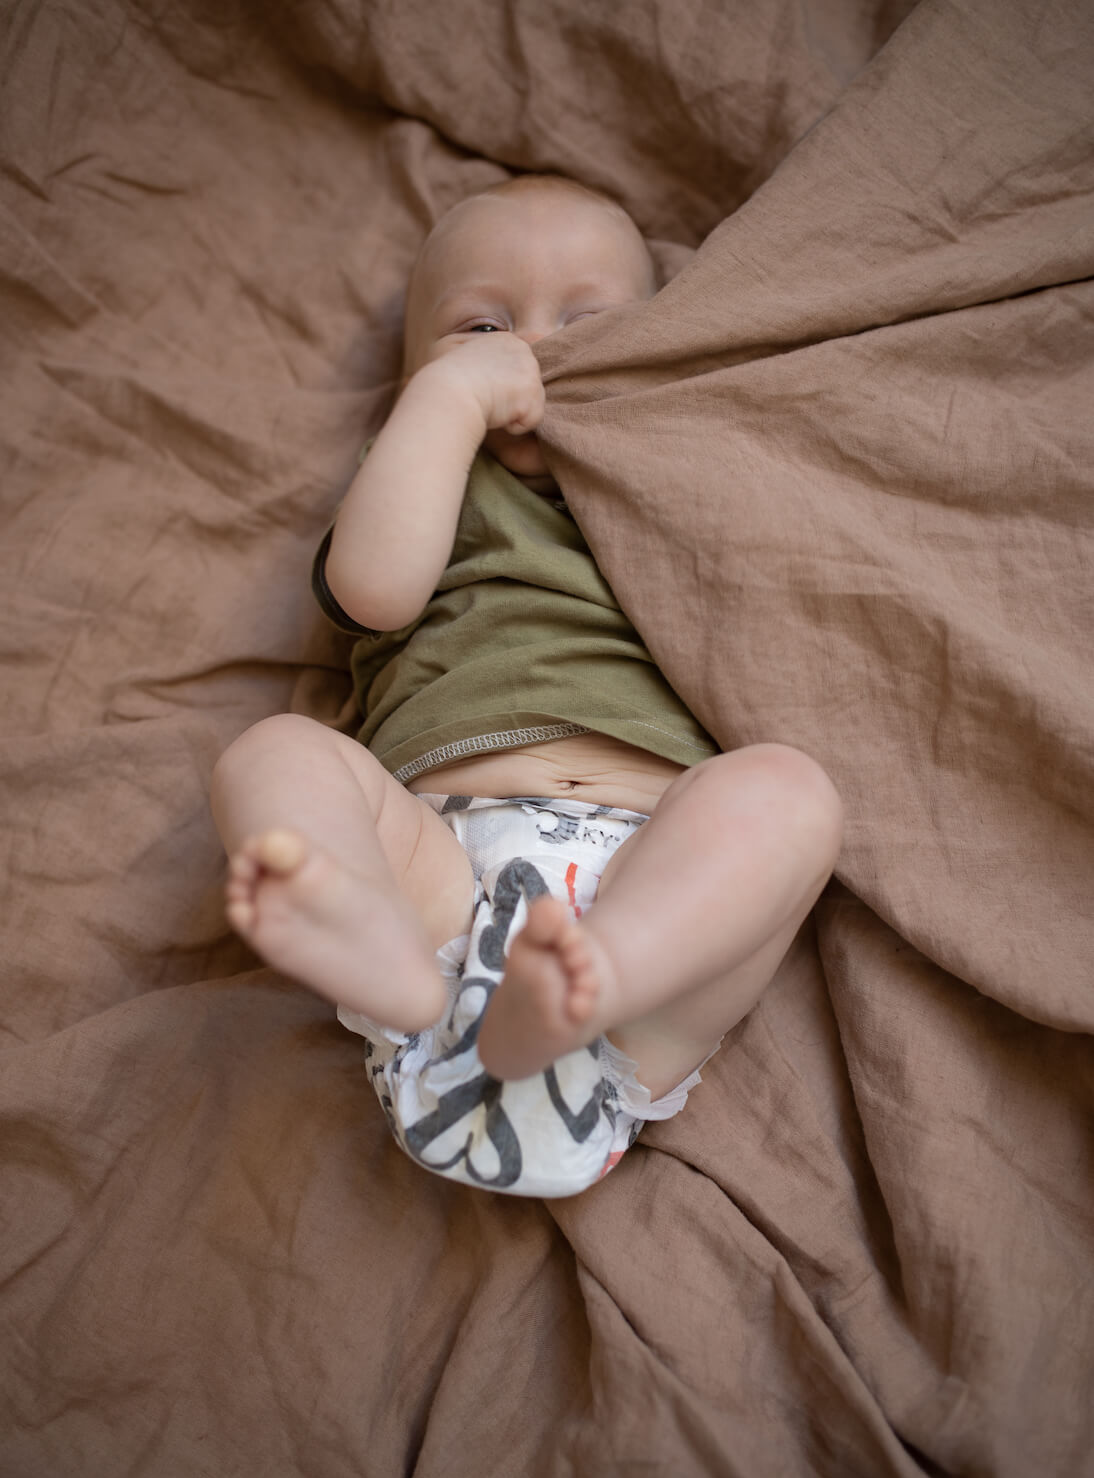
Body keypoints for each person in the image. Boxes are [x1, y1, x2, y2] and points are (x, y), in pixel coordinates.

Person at [210, 175, 843, 1196]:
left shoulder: (684, 467)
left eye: (586, 324)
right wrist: (448, 407)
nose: (531, 348)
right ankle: (379, 954)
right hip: (439, 869)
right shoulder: (426, 470)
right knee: (272, 754)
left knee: (792, 795)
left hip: (647, 879)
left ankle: (593, 986)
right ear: (412, 373)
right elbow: (372, 590)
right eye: (481, 326)